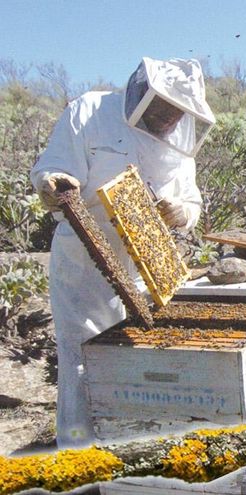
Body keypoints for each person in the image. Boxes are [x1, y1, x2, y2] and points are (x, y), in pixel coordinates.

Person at [30, 57, 215, 448]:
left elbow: (192, 203)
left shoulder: (179, 144)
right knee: (82, 363)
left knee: (138, 365)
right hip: (84, 266)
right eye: (164, 106)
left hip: (146, 267)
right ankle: (79, 458)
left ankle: (129, 453)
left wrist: (181, 212)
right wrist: (53, 182)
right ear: (142, 92)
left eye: (179, 111)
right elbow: (53, 167)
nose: (170, 117)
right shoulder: (89, 111)